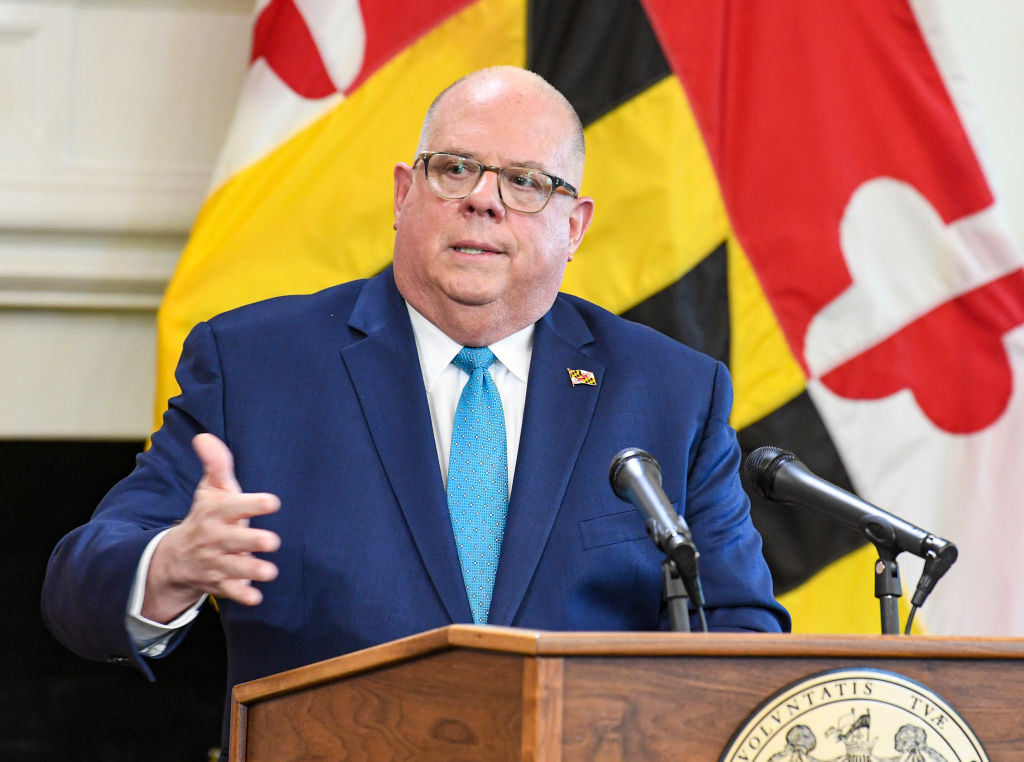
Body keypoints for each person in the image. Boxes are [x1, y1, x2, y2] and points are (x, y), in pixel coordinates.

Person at [43, 66, 788, 752]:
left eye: (527, 181)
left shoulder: (669, 391)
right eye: (456, 168)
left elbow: (739, 629)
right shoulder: (255, 365)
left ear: (575, 227)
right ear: (405, 194)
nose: (484, 199)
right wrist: (171, 563)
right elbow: (77, 587)